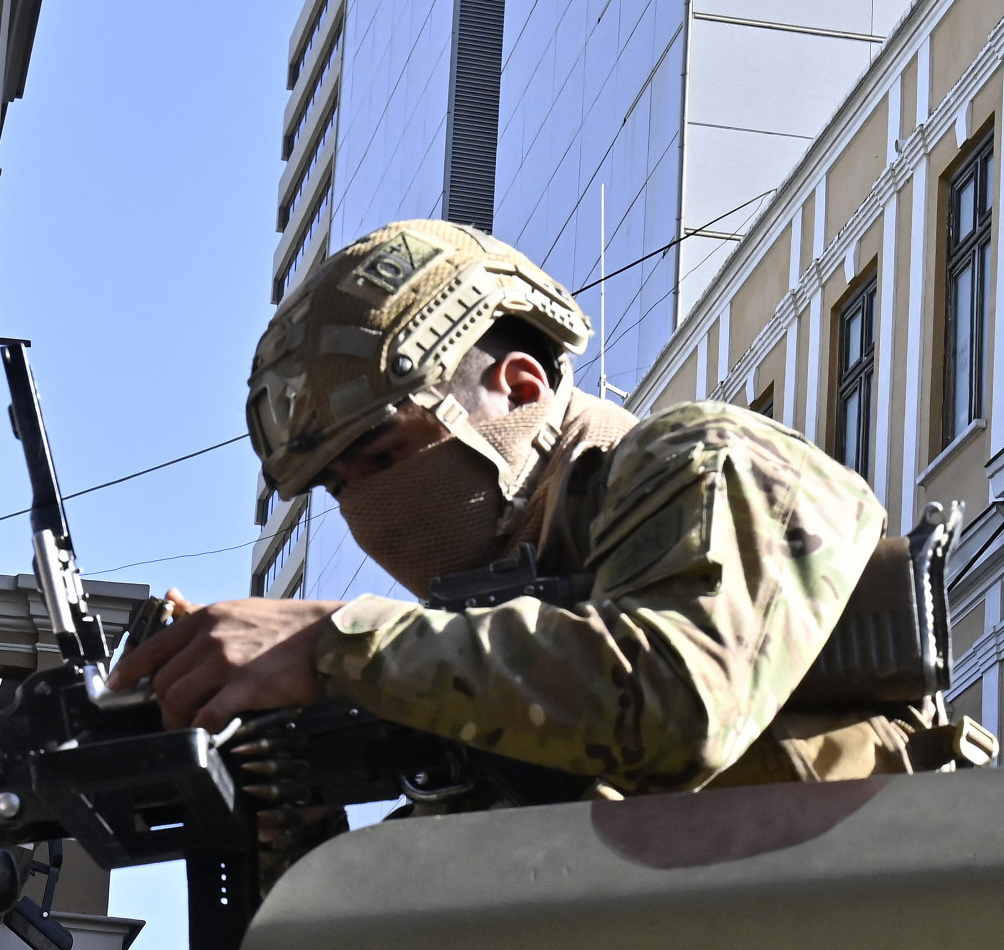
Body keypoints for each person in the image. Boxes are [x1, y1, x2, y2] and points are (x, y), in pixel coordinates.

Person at [110, 218, 973, 807]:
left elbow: (677, 701)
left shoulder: (702, 461)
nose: (370, 507)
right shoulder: (495, 678)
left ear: (519, 386)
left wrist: (332, 642)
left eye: (381, 456)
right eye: (339, 487)